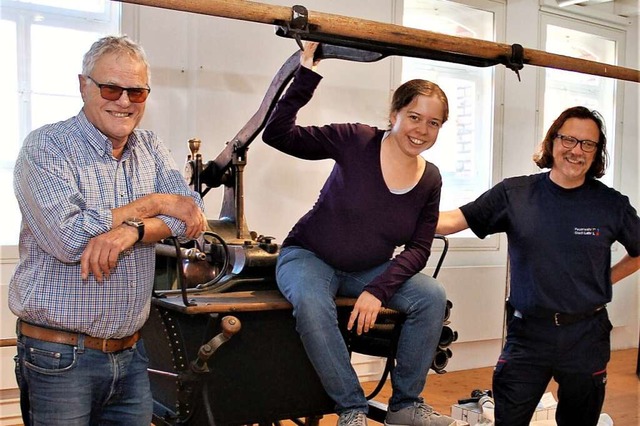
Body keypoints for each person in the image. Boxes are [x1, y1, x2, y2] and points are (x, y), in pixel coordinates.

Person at [9, 35, 207, 426]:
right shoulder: (46, 148)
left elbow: (192, 218)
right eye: (111, 88)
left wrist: (130, 231)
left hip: (131, 356)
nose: (124, 101)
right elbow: (68, 239)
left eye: (137, 92)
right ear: (84, 86)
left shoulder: (150, 146)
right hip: (60, 358)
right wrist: (154, 205)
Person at [262, 42, 456, 426]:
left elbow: (419, 247)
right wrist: (306, 73)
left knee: (431, 296)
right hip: (308, 256)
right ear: (394, 114)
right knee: (313, 304)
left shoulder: (430, 177)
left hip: (367, 270)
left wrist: (377, 289)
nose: (422, 130)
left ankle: (405, 406)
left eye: (433, 123)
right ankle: (352, 409)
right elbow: (278, 134)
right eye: (414, 117)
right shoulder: (356, 140)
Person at [437, 106, 640, 426]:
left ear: (597, 153)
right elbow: (453, 220)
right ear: (552, 141)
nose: (577, 150)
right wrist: (396, 216)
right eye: (569, 139)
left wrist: (605, 279)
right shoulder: (515, 194)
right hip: (527, 334)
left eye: (588, 144)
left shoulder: (611, 204)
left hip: (586, 335)